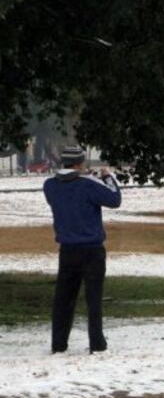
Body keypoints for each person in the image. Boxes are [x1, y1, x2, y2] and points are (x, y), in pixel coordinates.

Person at [42, 145, 122, 354]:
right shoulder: (87, 185)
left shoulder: (50, 185)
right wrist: (106, 177)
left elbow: (67, 191)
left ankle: (59, 344)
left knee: (63, 299)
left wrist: (85, 177)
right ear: (80, 163)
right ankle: (97, 343)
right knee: (93, 299)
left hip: (67, 249)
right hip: (92, 249)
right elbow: (114, 200)